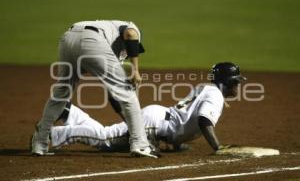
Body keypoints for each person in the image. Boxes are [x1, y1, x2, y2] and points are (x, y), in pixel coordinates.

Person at [49, 62, 246, 154]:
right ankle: (54, 135)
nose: (238, 86)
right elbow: (203, 121)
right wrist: (218, 147)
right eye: (236, 81)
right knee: (106, 140)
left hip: (157, 119)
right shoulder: (215, 95)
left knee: (110, 136)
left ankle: (69, 112)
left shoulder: (207, 88)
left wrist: (177, 144)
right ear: (227, 81)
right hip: (155, 123)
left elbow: (185, 116)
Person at [31, 20, 158, 158]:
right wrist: (135, 70)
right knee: (128, 93)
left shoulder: (111, 42)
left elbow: (113, 95)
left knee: (62, 92)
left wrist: (130, 124)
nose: (128, 53)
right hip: (91, 40)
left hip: (67, 40)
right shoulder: (132, 29)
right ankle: (141, 144)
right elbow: (130, 33)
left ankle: (40, 143)